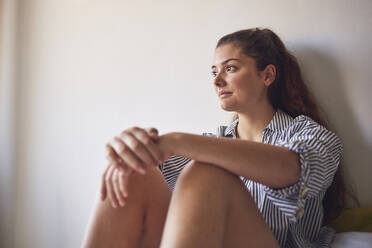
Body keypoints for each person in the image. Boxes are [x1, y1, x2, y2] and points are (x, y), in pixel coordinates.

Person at [81, 27, 349, 248]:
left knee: (207, 174)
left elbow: (290, 168)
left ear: (267, 75)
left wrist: (176, 140)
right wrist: (132, 150)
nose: (217, 81)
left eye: (230, 69)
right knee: (132, 172)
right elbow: (148, 166)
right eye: (214, 72)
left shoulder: (309, 134)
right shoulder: (213, 142)